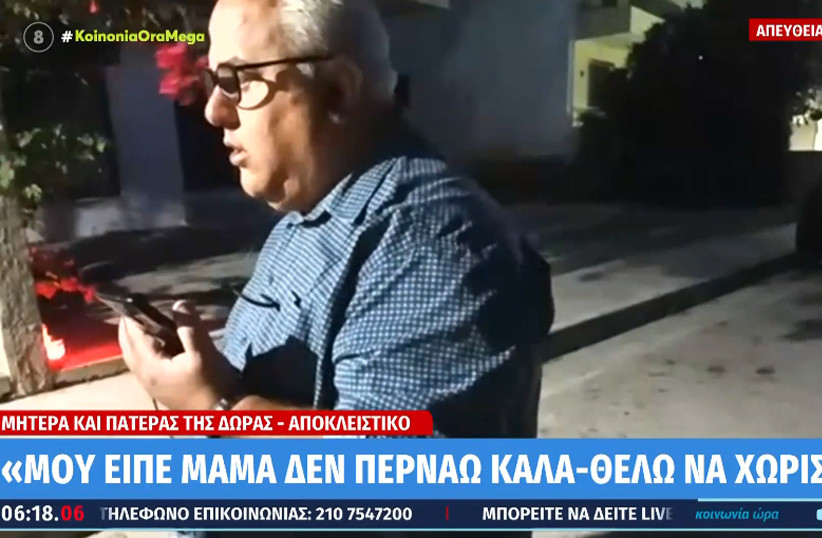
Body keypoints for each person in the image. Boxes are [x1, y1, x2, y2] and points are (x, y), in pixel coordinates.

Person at [119, 0, 554, 534]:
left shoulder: (432, 242)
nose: (214, 110)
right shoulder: (307, 217)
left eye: (238, 81)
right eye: (213, 80)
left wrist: (216, 408)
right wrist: (193, 380)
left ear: (338, 90)